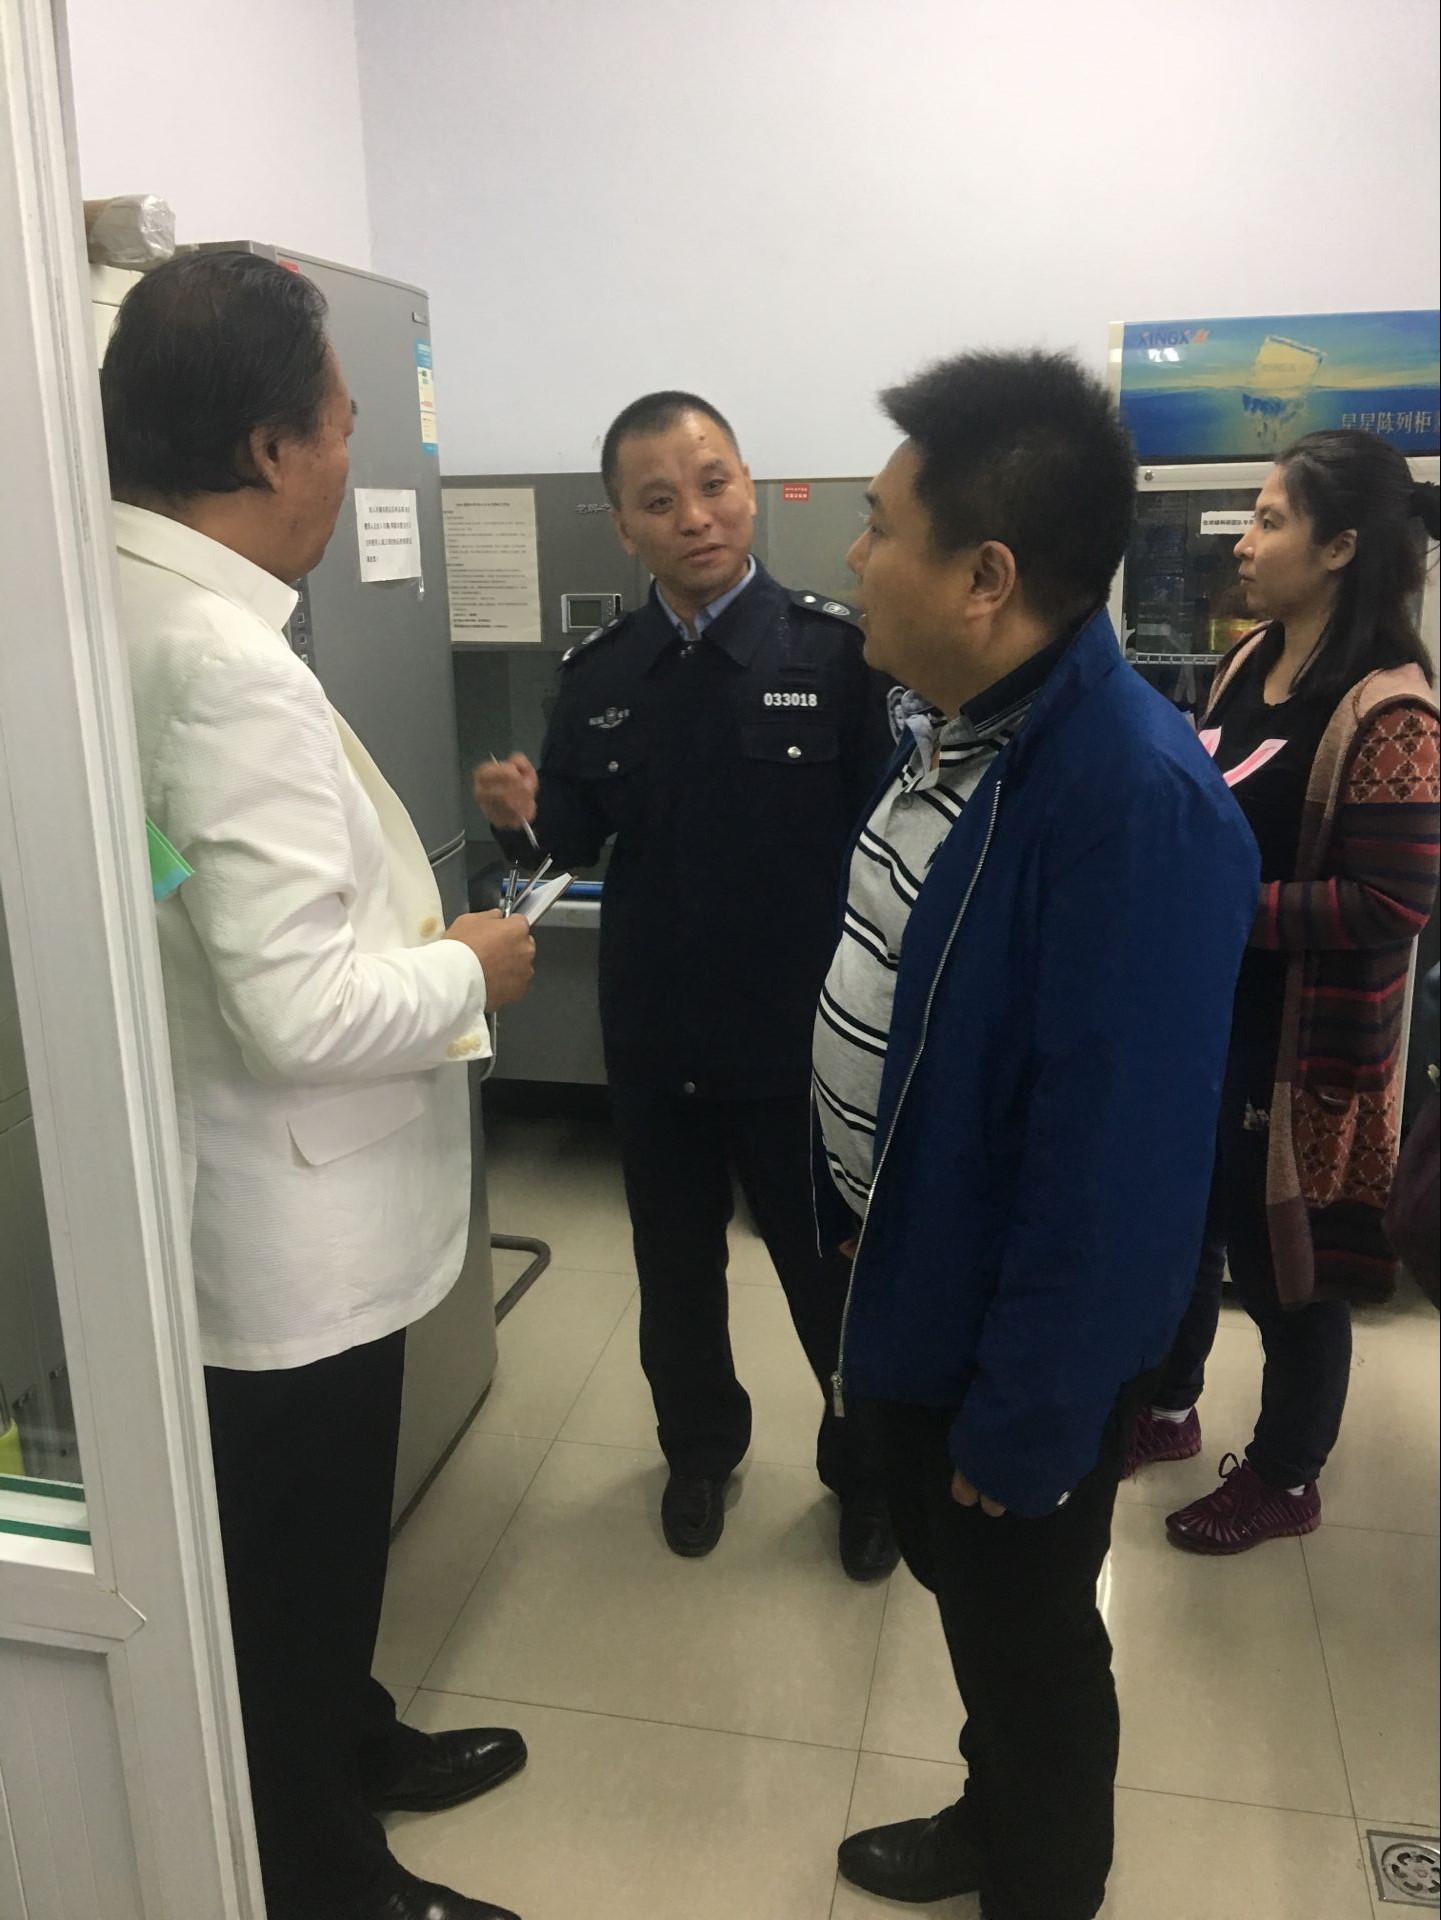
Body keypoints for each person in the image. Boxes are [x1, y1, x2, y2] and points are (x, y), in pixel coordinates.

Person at [102, 252, 537, 1920]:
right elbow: (299, 1009)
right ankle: (321, 1872)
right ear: (273, 447)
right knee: (293, 1568)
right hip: (294, 1239)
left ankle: (346, 1739)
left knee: (297, 1563)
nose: (352, 460)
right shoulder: (228, 662)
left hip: (231, 1192)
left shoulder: (122, 602)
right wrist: (471, 968)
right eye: (346, 425)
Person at [817, 350, 1259, 1920]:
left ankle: (1041, 1878)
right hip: (926, 1280)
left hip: (1015, 1350)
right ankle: (988, 1813)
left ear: (985, 577)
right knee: (984, 1626)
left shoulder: (1129, 800)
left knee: (1035, 1644)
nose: (852, 558)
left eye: (881, 528)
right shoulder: (965, 729)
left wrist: (1028, 1420)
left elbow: (1116, 1177)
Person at [473, 392, 899, 1577]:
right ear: (623, 527)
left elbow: (889, 843)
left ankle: (866, 1472)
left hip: (799, 1045)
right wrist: (521, 821)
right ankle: (699, 1451)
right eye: (659, 501)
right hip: (657, 1039)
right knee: (672, 1276)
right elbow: (568, 843)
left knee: (829, 1280)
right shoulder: (602, 673)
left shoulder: (838, 655)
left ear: (747, 486)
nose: (695, 517)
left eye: (713, 486)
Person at [1126, 433, 1441, 1551]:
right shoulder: (1250, 658)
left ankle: (1285, 1474)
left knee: (1289, 1269)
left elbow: (1392, 901)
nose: (1243, 544)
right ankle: (1166, 1407)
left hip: (1306, 1045)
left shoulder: (1390, 713)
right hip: (1212, 1020)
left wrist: (1227, 910)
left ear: (1340, 546)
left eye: (1269, 522)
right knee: (1190, 1227)